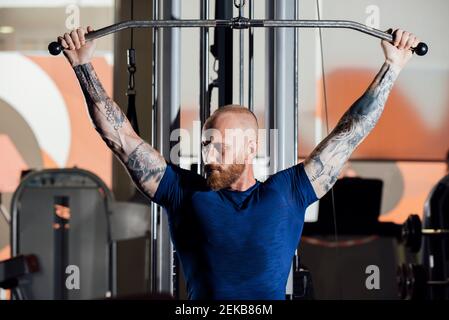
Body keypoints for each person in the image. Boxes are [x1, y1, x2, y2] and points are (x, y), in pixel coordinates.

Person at [57, 27, 419, 299]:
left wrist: (393, 65)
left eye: (219, 146)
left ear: (251, 147)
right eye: (205, 145)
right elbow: (120, 138)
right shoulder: (183, 191)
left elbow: (350, 132)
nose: (207, 156)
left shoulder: (288, 192)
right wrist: (82, 64)